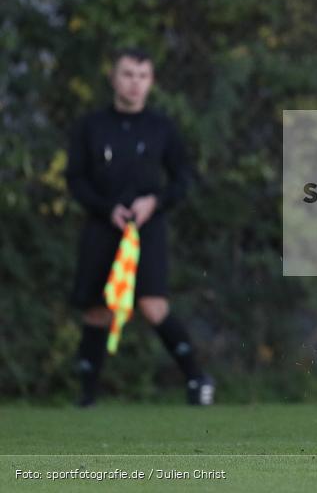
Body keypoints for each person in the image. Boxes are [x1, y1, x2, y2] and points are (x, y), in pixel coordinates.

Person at [65, 48, 214, 407]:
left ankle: (197, 380)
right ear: (114, 78)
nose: (135, 83)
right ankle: (86, 396)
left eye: (142, 76)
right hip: (103, 226)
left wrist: (154, 202)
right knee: (98, 307)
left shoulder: (161, 127)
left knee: (151, 305)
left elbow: (182, 179)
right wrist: (105, 208)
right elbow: (76, 178)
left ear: (151, 82)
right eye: (128, 74)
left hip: (147, 228)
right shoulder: (91, 126)